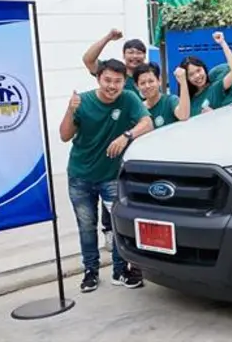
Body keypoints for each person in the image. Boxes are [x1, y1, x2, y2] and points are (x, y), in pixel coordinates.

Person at [60, 59, 153, 293]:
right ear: (99, 78)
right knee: (86, 227)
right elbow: (64, 135)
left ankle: (119, 271)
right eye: (107, 80)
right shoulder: (83, 101)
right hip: (80, 177)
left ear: (124, 82)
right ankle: (90, 272)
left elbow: (147, 123)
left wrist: (126, 136)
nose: (112, 86)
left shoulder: (129, 98)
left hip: (111, 177)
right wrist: (70, 110)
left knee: (118, 226)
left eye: (117, 81)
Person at [81, 28, 148, 250]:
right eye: (131, 52)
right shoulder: (114, 75)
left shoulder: (146, 76)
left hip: (137, 141)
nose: (135, 56)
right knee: (109, 185)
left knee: (130, 189)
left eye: (139, 52)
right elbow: (88, 60)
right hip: (113, 142)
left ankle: (135, 231)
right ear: (124, 54)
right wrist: (108, 37)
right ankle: (109, 230)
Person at [180, 31, 232, 116]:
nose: (197, 76)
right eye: (191, 74)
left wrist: (222, 43)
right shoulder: (188, 101)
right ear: (187, 79)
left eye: (198, 70)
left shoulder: (215, 88)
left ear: (204, 68)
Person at [133, 62, 191, 128]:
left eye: (151, 81)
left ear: (159, 80)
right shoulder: (138, 110)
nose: (147, 86)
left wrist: (183, 82)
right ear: (136, 86)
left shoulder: (170, 100)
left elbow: (183, 116)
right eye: (142, 83)